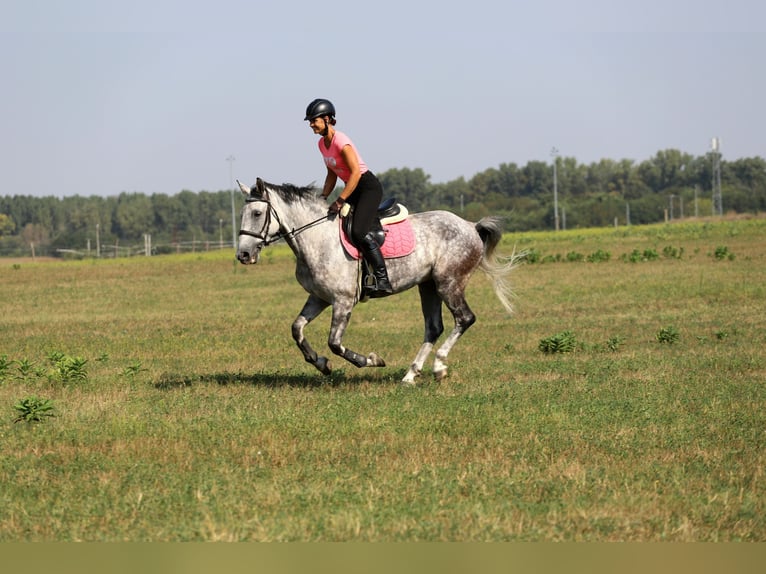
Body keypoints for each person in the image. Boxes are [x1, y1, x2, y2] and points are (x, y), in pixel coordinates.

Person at [304, 98, 393, 296]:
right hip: (352, 189)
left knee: (360, 231)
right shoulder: (322, 144)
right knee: (341, 227)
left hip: (367, 188)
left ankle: (382, 279)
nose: (311, 124)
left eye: (314, 120)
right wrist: (323, 197)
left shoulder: (341, 141)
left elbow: (355, 174)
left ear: (327, 119)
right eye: (309, 121)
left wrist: (340, 199)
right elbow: (331, 173)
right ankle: (361, 277)